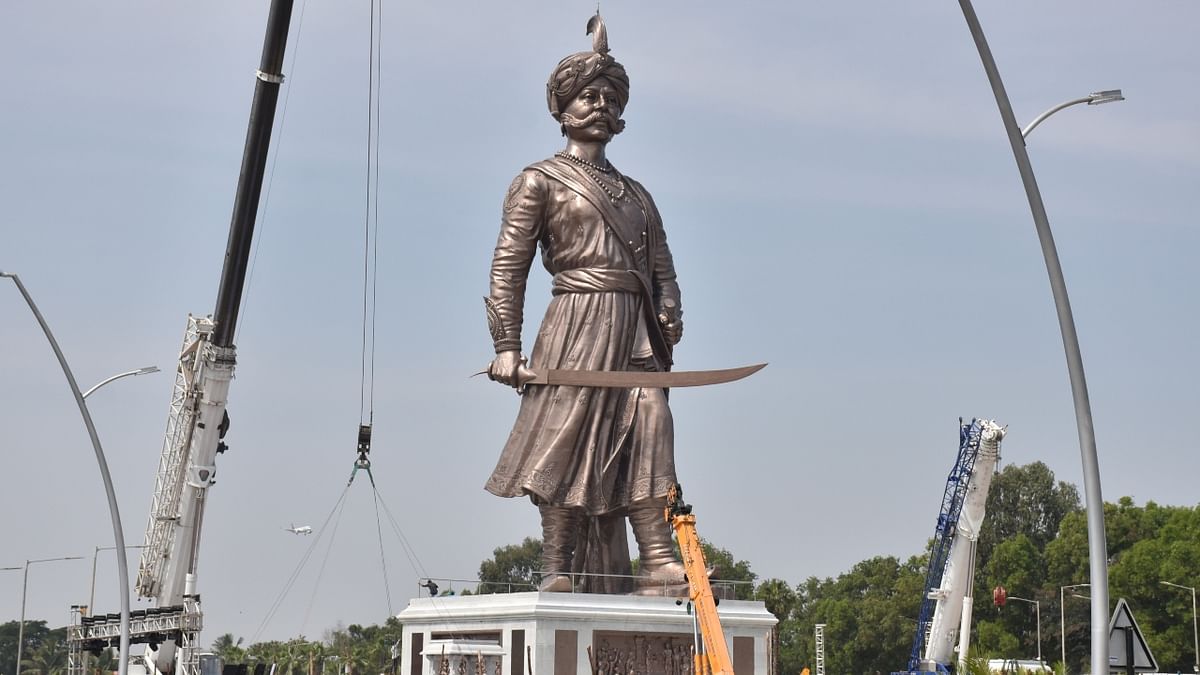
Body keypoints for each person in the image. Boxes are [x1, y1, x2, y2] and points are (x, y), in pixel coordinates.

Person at [483, 15, 685, 594]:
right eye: (587, 95)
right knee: (564, 444)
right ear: (563, 108)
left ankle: (656, 557)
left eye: (608, 97)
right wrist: (506, 346)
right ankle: (556, 567)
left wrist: (670, 309)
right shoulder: (538, 181)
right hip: (574, 322)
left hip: (637, 333)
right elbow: (508, 269)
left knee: (651, 424)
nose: (599, 104)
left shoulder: (639, 194)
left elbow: (663, 270)